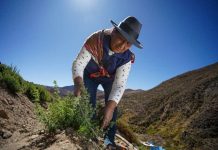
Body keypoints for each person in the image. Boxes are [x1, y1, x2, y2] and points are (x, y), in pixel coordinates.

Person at [72, 16, 143, 149]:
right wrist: (77, 83)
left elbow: (120, 84)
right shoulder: (95, 39)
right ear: (114, 31)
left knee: (112, 108)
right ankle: (89, 133)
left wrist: (109, 108)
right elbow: (79, 63)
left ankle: (109, 140)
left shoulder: (127, 58)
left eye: (128, 43)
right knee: (88, 102)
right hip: (89, 75)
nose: (123, 46)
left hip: (110, 79)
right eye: (121, 38)